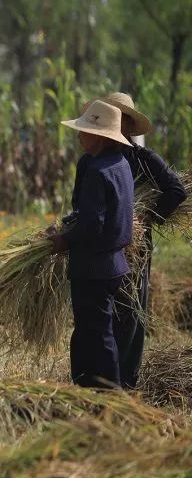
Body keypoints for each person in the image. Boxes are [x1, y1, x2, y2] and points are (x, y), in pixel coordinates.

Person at [97, 92, 187, 389]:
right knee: (106, 310)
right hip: (103, 247)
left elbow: (176, 190)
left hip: (135, 247)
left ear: (126, 123)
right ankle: (106, 378)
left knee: (132, 311)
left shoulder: (143, 159)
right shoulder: (98, 158)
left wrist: (145, 219)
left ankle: (128, 382)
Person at [50, 99, 134, 389]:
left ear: (100, 137)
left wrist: (62, 240)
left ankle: (111, 396)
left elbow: (92, 224)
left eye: (84, 130)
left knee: (99, 334)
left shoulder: (98, 171)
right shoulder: (119, 164)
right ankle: (86, 390)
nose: (79, 135)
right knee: (90, 331)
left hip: (94, 266)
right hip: (112, 264)